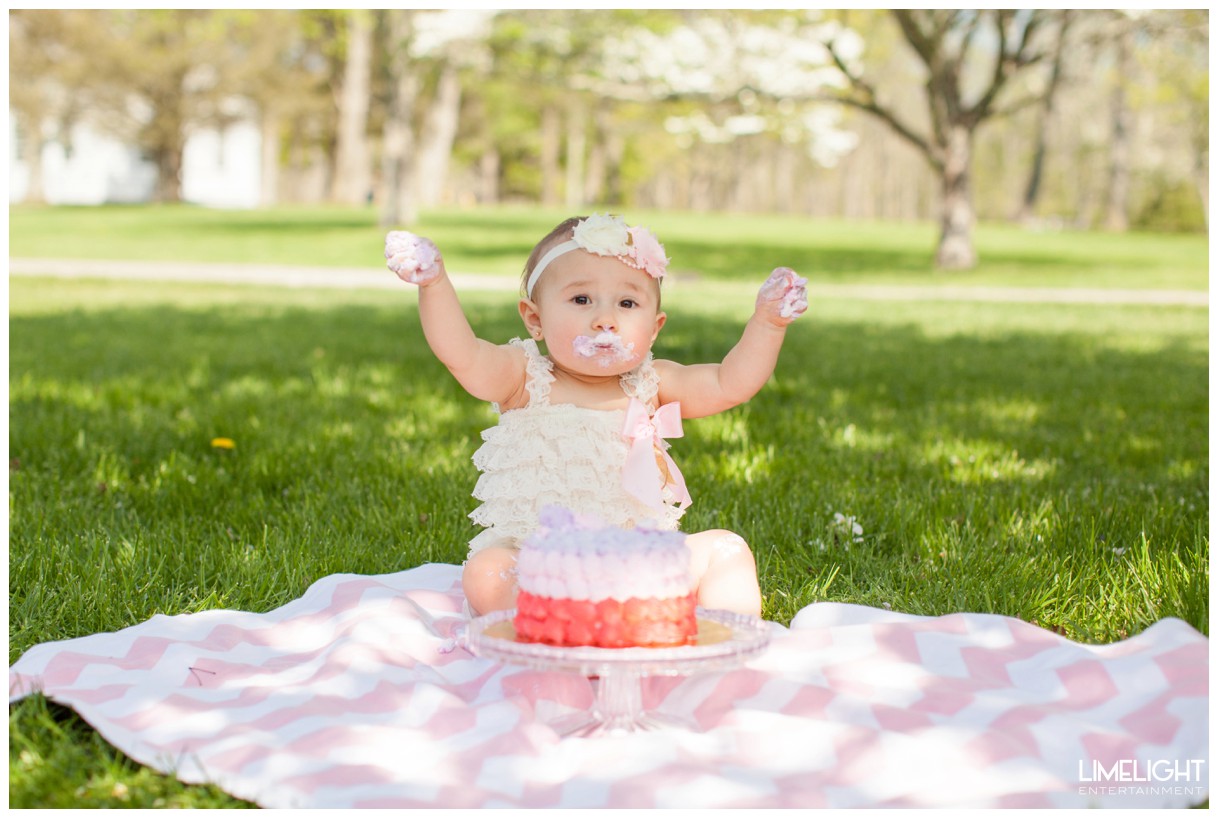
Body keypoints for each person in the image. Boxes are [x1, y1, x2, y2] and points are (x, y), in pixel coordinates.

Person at [385, 214, 807, 618]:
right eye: (581, 299)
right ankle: (565, 623)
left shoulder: (652, 384)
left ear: (655, 327)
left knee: (725, 550)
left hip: (637, 562)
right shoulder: (523, 378)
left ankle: (721, 635)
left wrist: (768, 324)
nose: (605, 320)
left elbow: (729, 383)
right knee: (488, 570)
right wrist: (434, 284)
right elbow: (463, 353)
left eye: (626, 302)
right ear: (535, 319)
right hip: (543, 564)